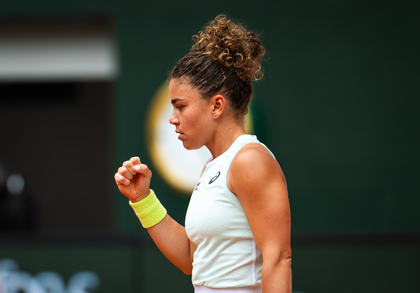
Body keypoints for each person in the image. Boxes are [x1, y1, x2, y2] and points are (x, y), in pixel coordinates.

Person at [115, 15, 292, 293]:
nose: (172, 119)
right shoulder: (213, 168)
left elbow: (278, 260)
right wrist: (142, 200)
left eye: (181, 106)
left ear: (217, 106)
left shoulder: (249, 161)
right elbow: (191, 259)